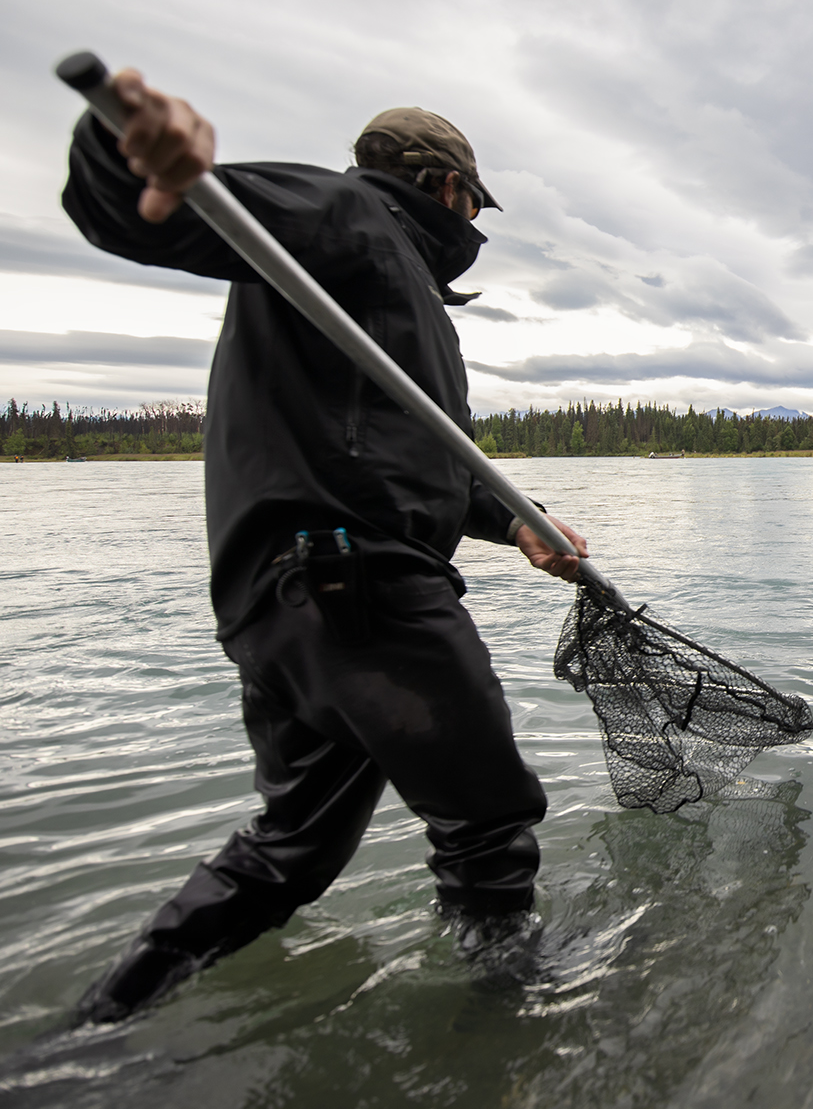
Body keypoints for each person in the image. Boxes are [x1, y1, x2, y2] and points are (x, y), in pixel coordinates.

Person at [61, 70, 588, 1023]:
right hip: (356, 582)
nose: (476, 223)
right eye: (475, 203)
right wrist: (129, 152)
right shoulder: (347, 214)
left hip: (288, 606)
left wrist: (516, 520)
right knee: (490, 815)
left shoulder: (397, 290)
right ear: (444, 190)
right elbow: (152, 213)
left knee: (290, 852)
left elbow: (425, 456)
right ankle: (510, 1028)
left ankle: (95, 1032)